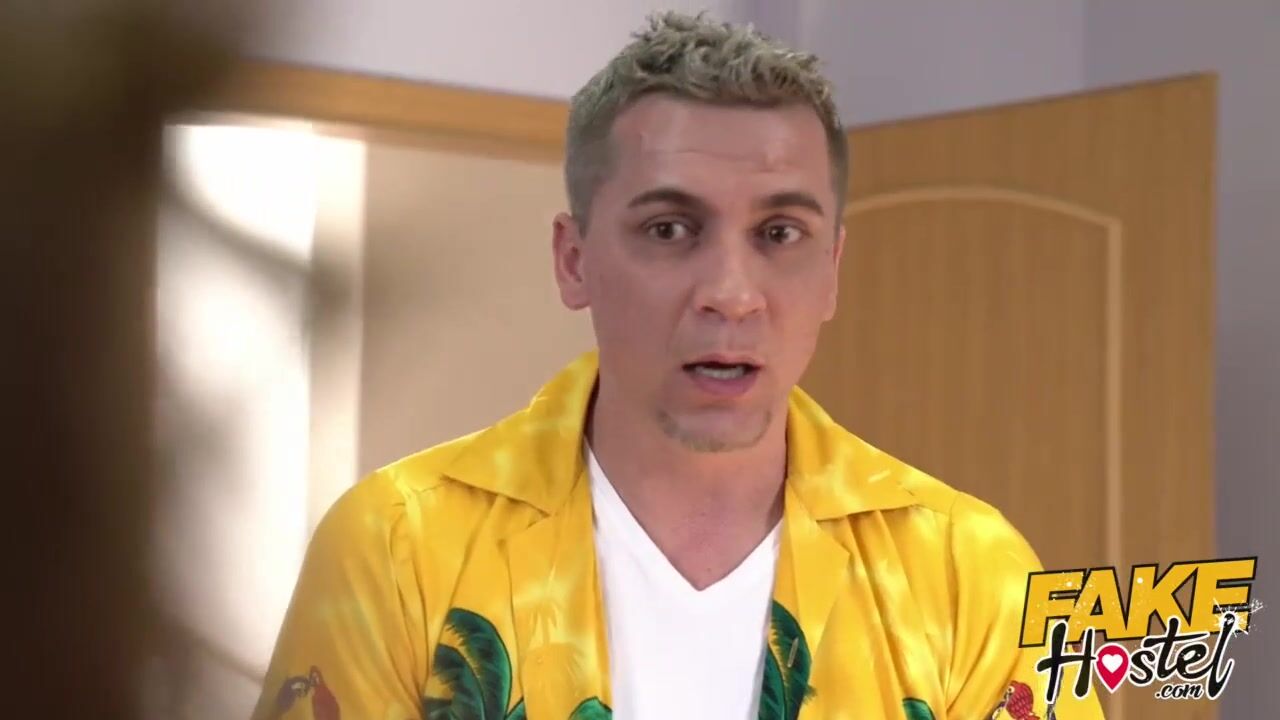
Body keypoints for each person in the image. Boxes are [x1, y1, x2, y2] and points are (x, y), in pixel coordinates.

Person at [255, 12, 1102, 720]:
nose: (731, 295)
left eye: (779, 234)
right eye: (669, 230)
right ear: (574, 261)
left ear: (832, 272)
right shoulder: (396, 546)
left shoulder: (969, 571)